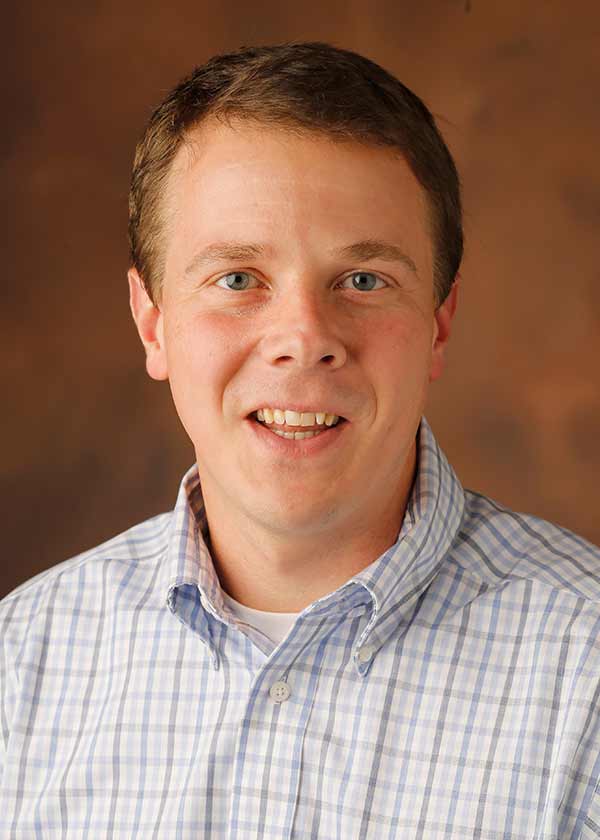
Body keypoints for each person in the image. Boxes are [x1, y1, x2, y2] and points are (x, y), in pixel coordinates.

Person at [1, 42, 599, 839]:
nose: (304, 340)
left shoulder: (587, 670)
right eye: (238, 279)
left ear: (439, 323)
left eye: (363, 280)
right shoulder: (21, 666)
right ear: (153, 324)